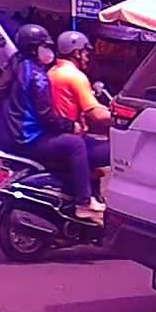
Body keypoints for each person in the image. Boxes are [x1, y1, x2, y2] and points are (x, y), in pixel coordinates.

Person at [0, 24, 104, 224]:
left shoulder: (16, 67)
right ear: (34, 49)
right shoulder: (36, 76)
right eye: (45, 46)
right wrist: (70, 126)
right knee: (75, 144)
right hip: (28, 138)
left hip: (8, 137)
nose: (49, 51)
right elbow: (47, 117)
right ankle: (84, 203)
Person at [50, 30, 111, 196]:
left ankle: (90, 182)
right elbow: (97, 115)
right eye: (85, 53)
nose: (87, 58)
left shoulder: (52, 72)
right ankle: (86, 199)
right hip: (72, 139)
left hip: (57, 135)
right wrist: (125, 117)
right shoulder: (75, 77)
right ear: (76, 53)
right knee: (116, 150)